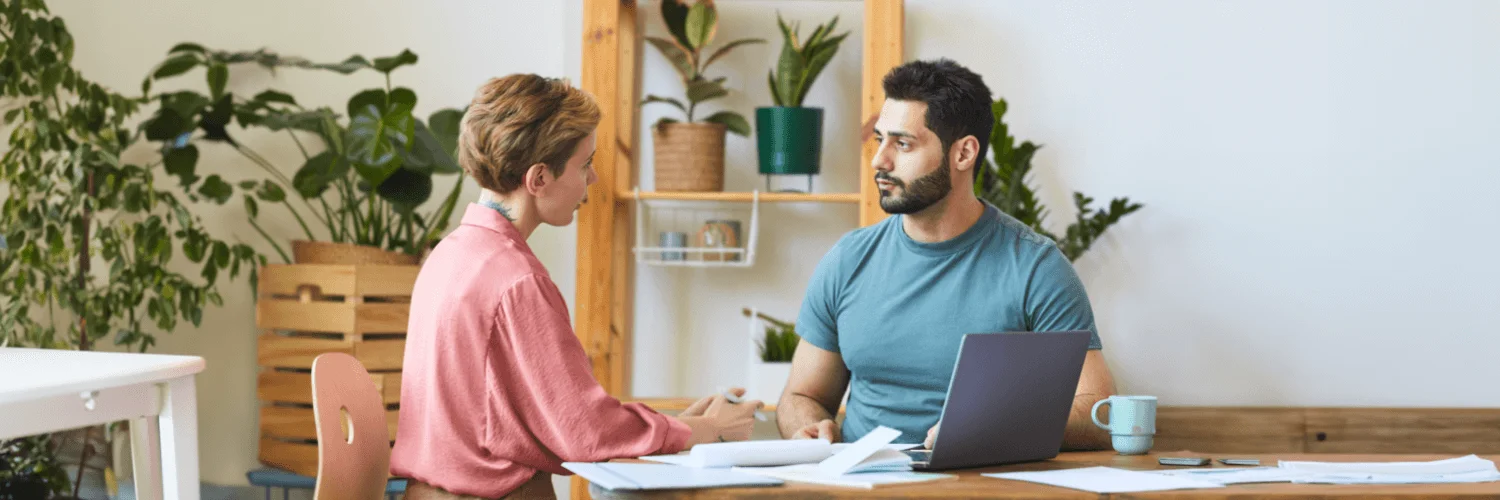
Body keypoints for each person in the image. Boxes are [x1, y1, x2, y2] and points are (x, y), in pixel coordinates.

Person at [391, 74, 763, 500]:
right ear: (539, 179)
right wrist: (709, 430)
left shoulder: (447, 255)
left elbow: (523, 419)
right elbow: (586, 433)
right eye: (584, 164)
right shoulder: (518, 280)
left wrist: (679, 428)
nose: (594, 179)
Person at [775, 58, 1118, 450]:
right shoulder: (848, 260)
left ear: (963, 154)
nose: (879, 160)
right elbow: (803, 397)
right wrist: (809, 426)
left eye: (902, 143)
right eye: (879, 140)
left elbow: (1099, 413)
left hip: (979, 487)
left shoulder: (1036, 267)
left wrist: (991, 432)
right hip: (863, 485)